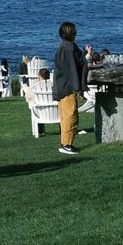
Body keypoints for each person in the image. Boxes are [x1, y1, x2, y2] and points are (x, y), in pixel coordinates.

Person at [51, 22, 87, 154]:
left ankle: (66, 142)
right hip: (67, 87)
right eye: (74, 31)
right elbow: (72, 69)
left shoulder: (65, 47)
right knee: (70, 116)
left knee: (67, 115)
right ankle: (66, 144)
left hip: (63, 86)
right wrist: (78, 88)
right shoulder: (69, 48)